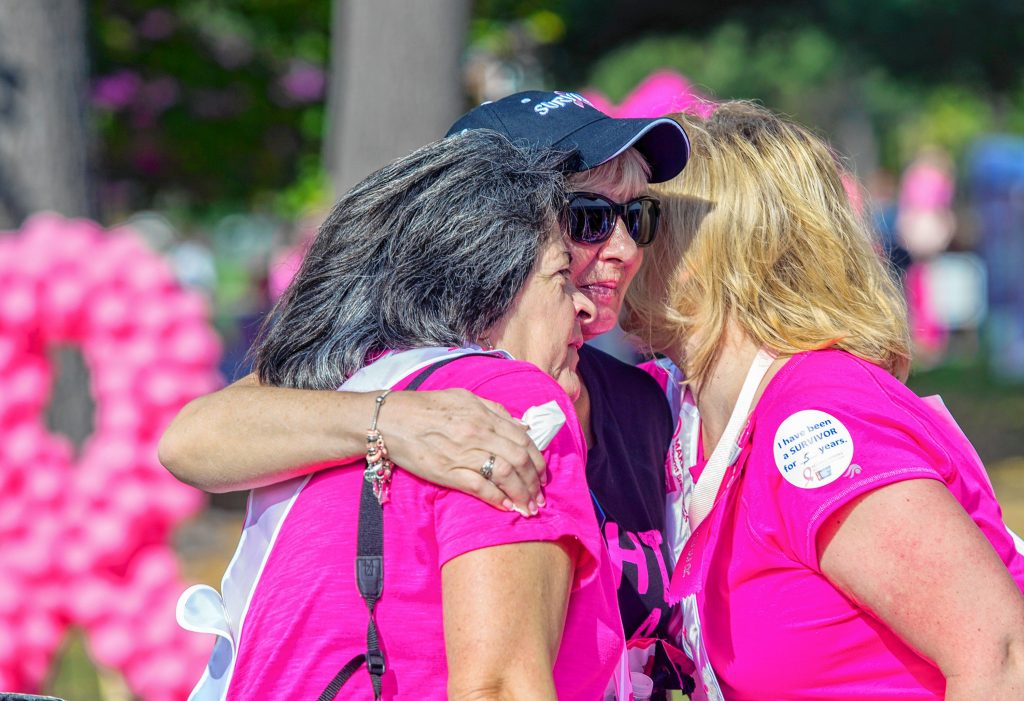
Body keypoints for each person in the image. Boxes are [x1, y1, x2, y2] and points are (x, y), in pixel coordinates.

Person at [161, 91, 693, 696]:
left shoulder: (644, 403)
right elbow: (193, 439)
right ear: (484, 228)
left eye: (638, 217)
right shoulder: (393, 375)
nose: (624, 249)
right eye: (590, 218)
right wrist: (391, 419)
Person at [621, 101, 1024, 700]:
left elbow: (1002, 656)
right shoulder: (679, 408)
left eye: (638, 219)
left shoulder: (817, 416)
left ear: (706, 253)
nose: (611, 245)